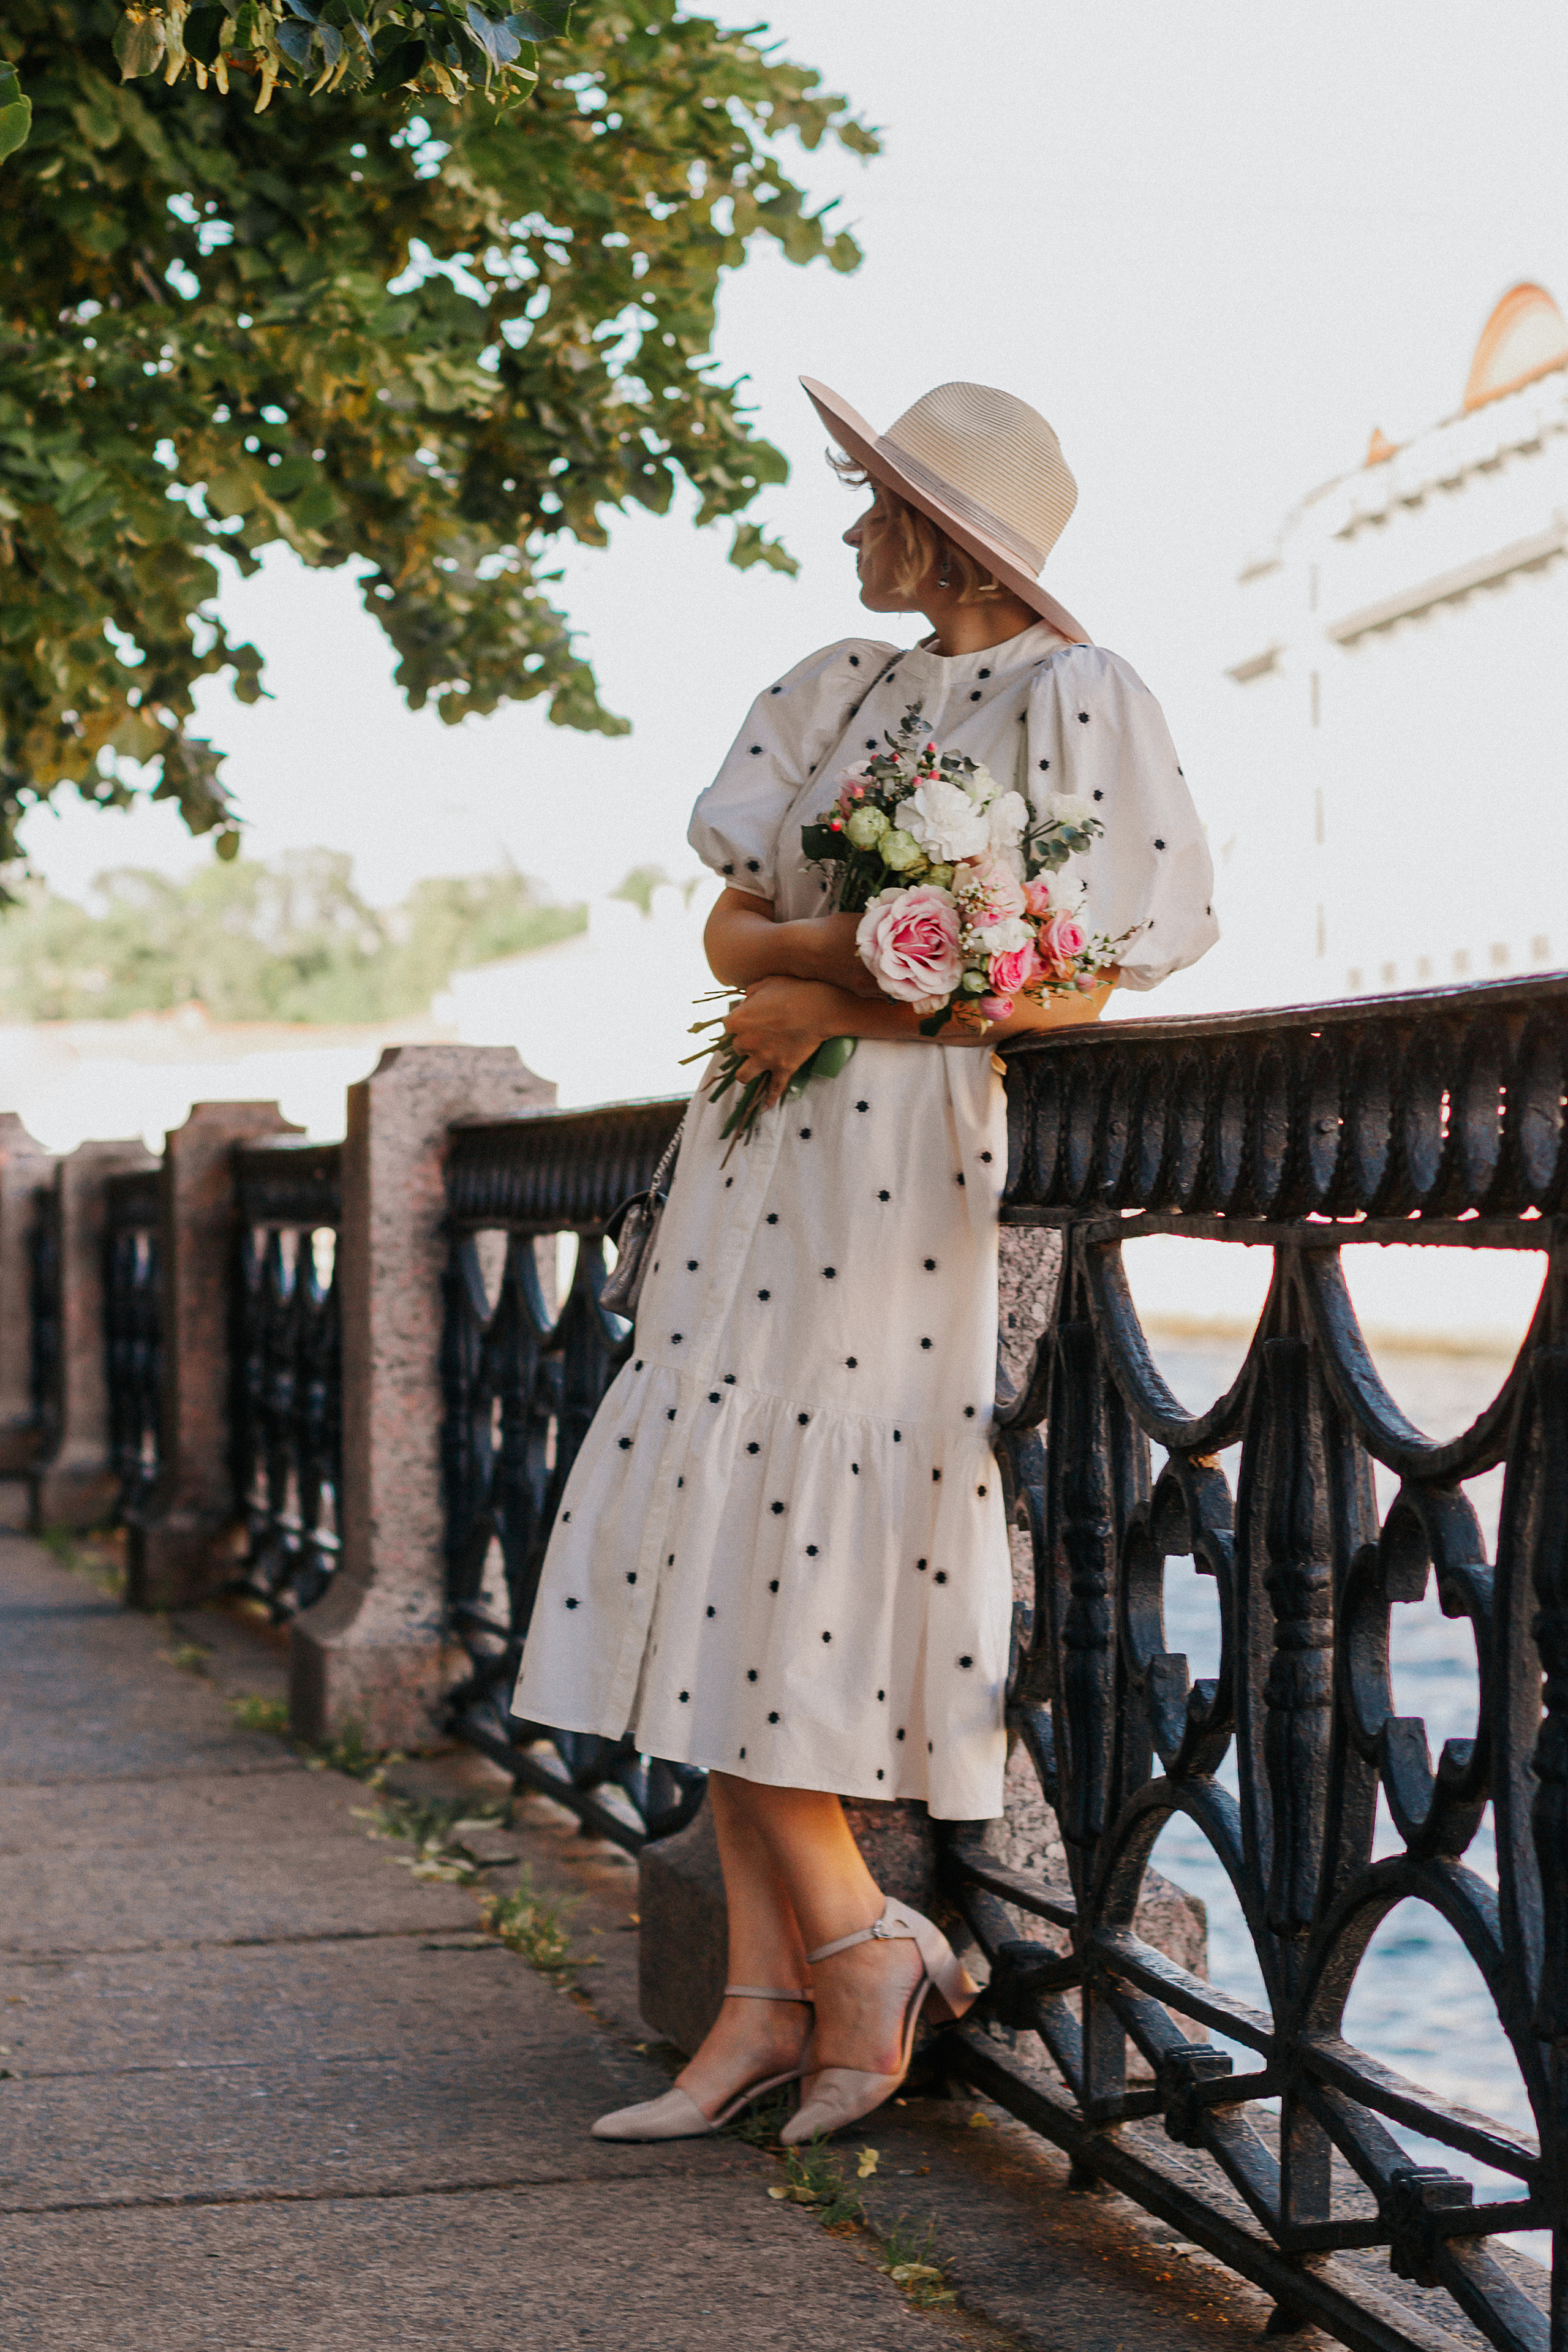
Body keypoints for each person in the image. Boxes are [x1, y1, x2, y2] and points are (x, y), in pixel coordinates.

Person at [510, 377, 1218, 2144]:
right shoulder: (834, 687)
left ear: (951, 529)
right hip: (758, 1148)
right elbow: (723, 918)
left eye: (876, 503)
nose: (849, 532)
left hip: (903, 1164)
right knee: (712, 1516)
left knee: (795, 1527)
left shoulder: (1079, 697)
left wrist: (826, 988)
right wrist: (835, 952)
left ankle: (855, 1942)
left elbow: (1077, 980)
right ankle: (771, 1998)